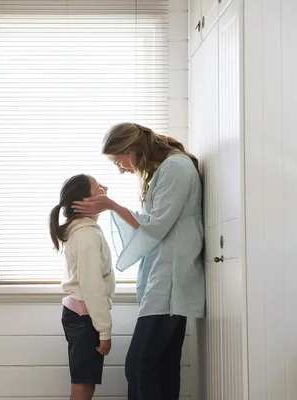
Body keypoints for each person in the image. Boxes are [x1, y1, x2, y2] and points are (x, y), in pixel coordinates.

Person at [72, 123, 205, 400]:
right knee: (162, 366)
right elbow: (153, 226)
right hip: (166, 278)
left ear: (131, 151)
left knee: (139, 366)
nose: (120, 169)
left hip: (170, 281)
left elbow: (154, 227)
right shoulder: (166, 170)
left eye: (119, 161)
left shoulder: (175, 168)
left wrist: (111, 205)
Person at [49, 174, 117, 400]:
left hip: (80, 314)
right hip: (84, 316)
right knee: (83, 383)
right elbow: (92, 288)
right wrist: (104, 331)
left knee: (84, 380)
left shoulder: (84, 231)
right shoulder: (87, 235)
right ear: (85, 202)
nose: (105, 187)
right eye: (98, 186)